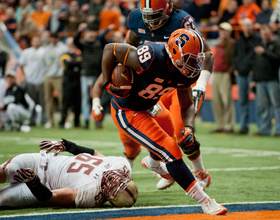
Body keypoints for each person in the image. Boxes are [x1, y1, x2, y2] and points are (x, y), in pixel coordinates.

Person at [101, 28, 227, 215]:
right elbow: (110, 48)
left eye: (196, 58)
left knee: (172, 137)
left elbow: (186, 104)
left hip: (151, 106)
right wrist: (106, 81)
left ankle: (152, 162)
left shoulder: (184, 71)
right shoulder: (150, 57)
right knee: (170, 149)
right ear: (175, 54)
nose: (195, 64)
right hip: (127, 111)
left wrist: (189, 127)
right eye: (190, 59)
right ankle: (205, 201)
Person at [123, 0, 213, 190]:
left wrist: (202, 85)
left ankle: (200, 173)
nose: (150, 22)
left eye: (155, 16)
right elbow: (128, 46)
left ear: (168, 10)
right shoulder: (136, 19)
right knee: (157, 129)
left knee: (183, 132)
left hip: (182, 82)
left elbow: (208, 54)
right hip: (158, 83)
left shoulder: (181, 21)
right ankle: (167, 169)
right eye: (146, 16)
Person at [0, 138, 138, 208]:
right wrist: (68, 146)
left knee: (3, 199)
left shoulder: (92, 196)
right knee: (7, 171)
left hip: (40, 188)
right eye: (120, 180)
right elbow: (95, 154)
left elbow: (51, 197)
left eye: (114, 187)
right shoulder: (121, 165)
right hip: (41, 161)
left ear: (110, 199)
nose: (113, 179)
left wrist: (33, 182)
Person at [73, 22, 111, 129]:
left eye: (93, 32)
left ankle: (98, 119)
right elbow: (75, 40)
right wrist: (80, 30)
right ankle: (86, 121)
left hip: (98, 75)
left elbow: (102, 37)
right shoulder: (83, 44)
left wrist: (107, 29)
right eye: (89, 32)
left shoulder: (99, 42)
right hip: (85, 74)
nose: (91, 34)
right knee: (85, 98)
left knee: (100, 97)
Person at [250, 24, 280, 136]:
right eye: (263, 34)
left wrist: (265, 53)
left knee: (277, 105)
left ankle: (278, 130)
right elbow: (256, 64)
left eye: (266, 34)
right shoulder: (260, 44)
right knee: (263, 106)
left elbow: (278, 59)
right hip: (260, 80)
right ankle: (264, 130)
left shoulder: (276, 44)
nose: (265, 36)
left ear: (271, 33)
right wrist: (254, 79)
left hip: (273, 79)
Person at [233, 18, 261, 134]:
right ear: (242, 27)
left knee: (259, 101)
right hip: (241, 74)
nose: (247, 28)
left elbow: (258, 57)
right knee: (242, 101)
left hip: (253, 74)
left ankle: (261, 128)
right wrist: (235, 68)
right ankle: (244, 127)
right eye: (245, 26)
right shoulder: (239, 40)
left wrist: (254, 70)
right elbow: (235, 55)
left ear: (252, 26)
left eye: (249, 26)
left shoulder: (257, 39)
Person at [211, 22, 236, 134]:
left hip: (225, 73)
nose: (222, 32)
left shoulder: (231, 43)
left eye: (224, 30)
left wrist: (230, 72)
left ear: (229, 32)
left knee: (227, 100)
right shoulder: (219, 43)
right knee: (216, 101)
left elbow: (233, 59)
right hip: (216, 73)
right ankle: (220, 125)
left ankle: (229, 125)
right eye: (221, 30)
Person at [18, 35, 47, 126]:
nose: (37, 42)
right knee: (31, 102)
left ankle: (44, 120)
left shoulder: (44, 51)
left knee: (43, 102)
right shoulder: (27, 52)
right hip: (30, 79)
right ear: (31, 42)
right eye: (35, 40)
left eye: (38, 40)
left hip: (42, 80)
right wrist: (23, 75)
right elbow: (21, 63)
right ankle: (32, 120)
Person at [43, 32, 67, 129]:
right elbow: (44, 63)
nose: (53, 40)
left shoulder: (63, 48)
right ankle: (50, 120)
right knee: (48, 99)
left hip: (59, 76)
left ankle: (66, 119)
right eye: (51, 38)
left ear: (58, 39)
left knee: (62, 99)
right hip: (48, 76)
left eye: (55, 38)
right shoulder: (46, 49)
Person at [59, 37, 82, 129]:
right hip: (67, 81)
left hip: (77, 81)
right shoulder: (64, 55)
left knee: (77, 103)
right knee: (66, 103)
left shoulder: (78, 55)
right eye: (70, 44)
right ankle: (62, 122)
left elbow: (80, 64)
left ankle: (77, 123)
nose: (72, 45)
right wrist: (75, 63)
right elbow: (67, 64)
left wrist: (72, 62)